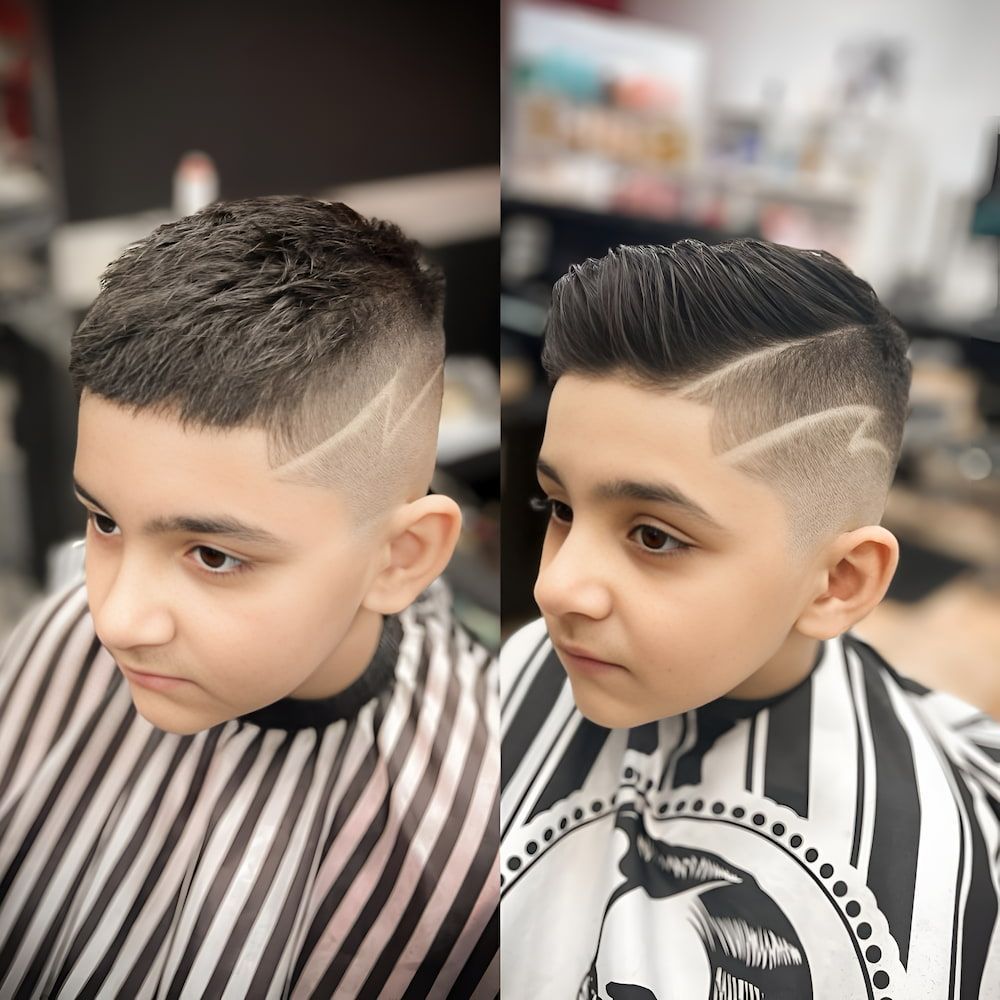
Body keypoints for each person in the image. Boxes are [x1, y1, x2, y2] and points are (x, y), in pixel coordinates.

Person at [0, 197, 498, 1000]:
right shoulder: (56, 638)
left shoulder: (473, 858)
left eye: (213, 555)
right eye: (103, 521)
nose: (113, 618)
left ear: (400, 559)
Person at [499, 239, 1000, 999]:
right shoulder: (522, 669)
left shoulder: (963, 858)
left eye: (655, 537)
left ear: (837, 581)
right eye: (560, 508)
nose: (557, 589)